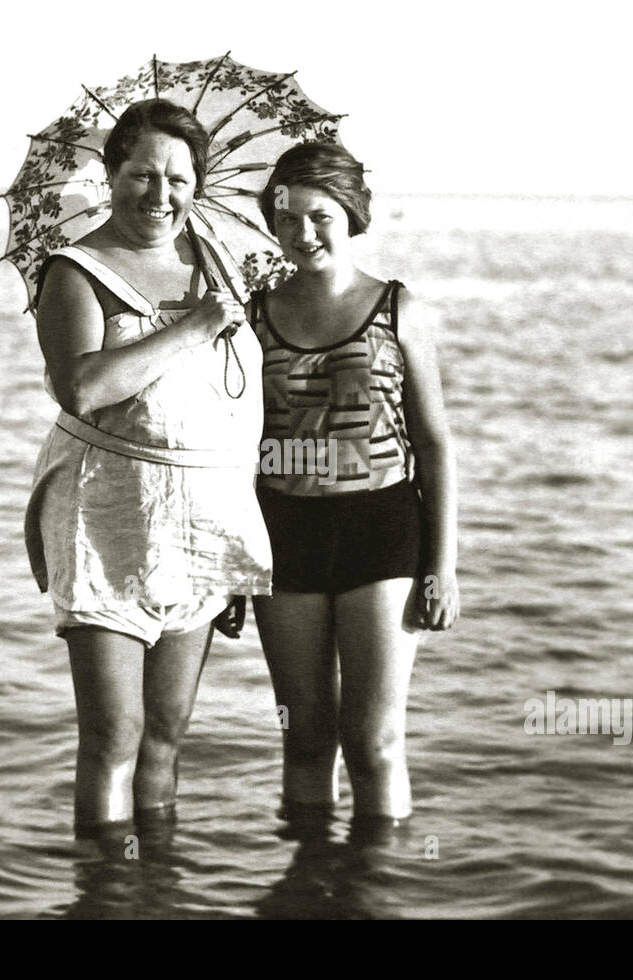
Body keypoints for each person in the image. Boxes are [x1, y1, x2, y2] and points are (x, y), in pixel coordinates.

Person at [24, 99, 271, 836]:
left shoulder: (216, 262)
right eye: (142, 174)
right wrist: (196, 326)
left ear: (198, 186)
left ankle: (157, 891)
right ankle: (104, 894)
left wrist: (234, 529)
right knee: (115, 737)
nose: (160, 195)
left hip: (202, 522)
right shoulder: (74, 271)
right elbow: (84, 387)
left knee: (167, 735)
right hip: (107, 514)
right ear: (111, 174)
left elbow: (240, 407)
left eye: (179, 179)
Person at [247, 141, 459, 828]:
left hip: (382, 529)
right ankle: (308, 889)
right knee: (305, 739)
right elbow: (236, 449)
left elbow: (433, 443)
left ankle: (375, 891)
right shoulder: (252, 315)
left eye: (320, 217)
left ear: (351, 214)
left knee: (373, 743)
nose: (302, 234)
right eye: (287, 219)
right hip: (283, 535)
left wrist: (443, 567)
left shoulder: (398, 308)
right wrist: (228, 564)